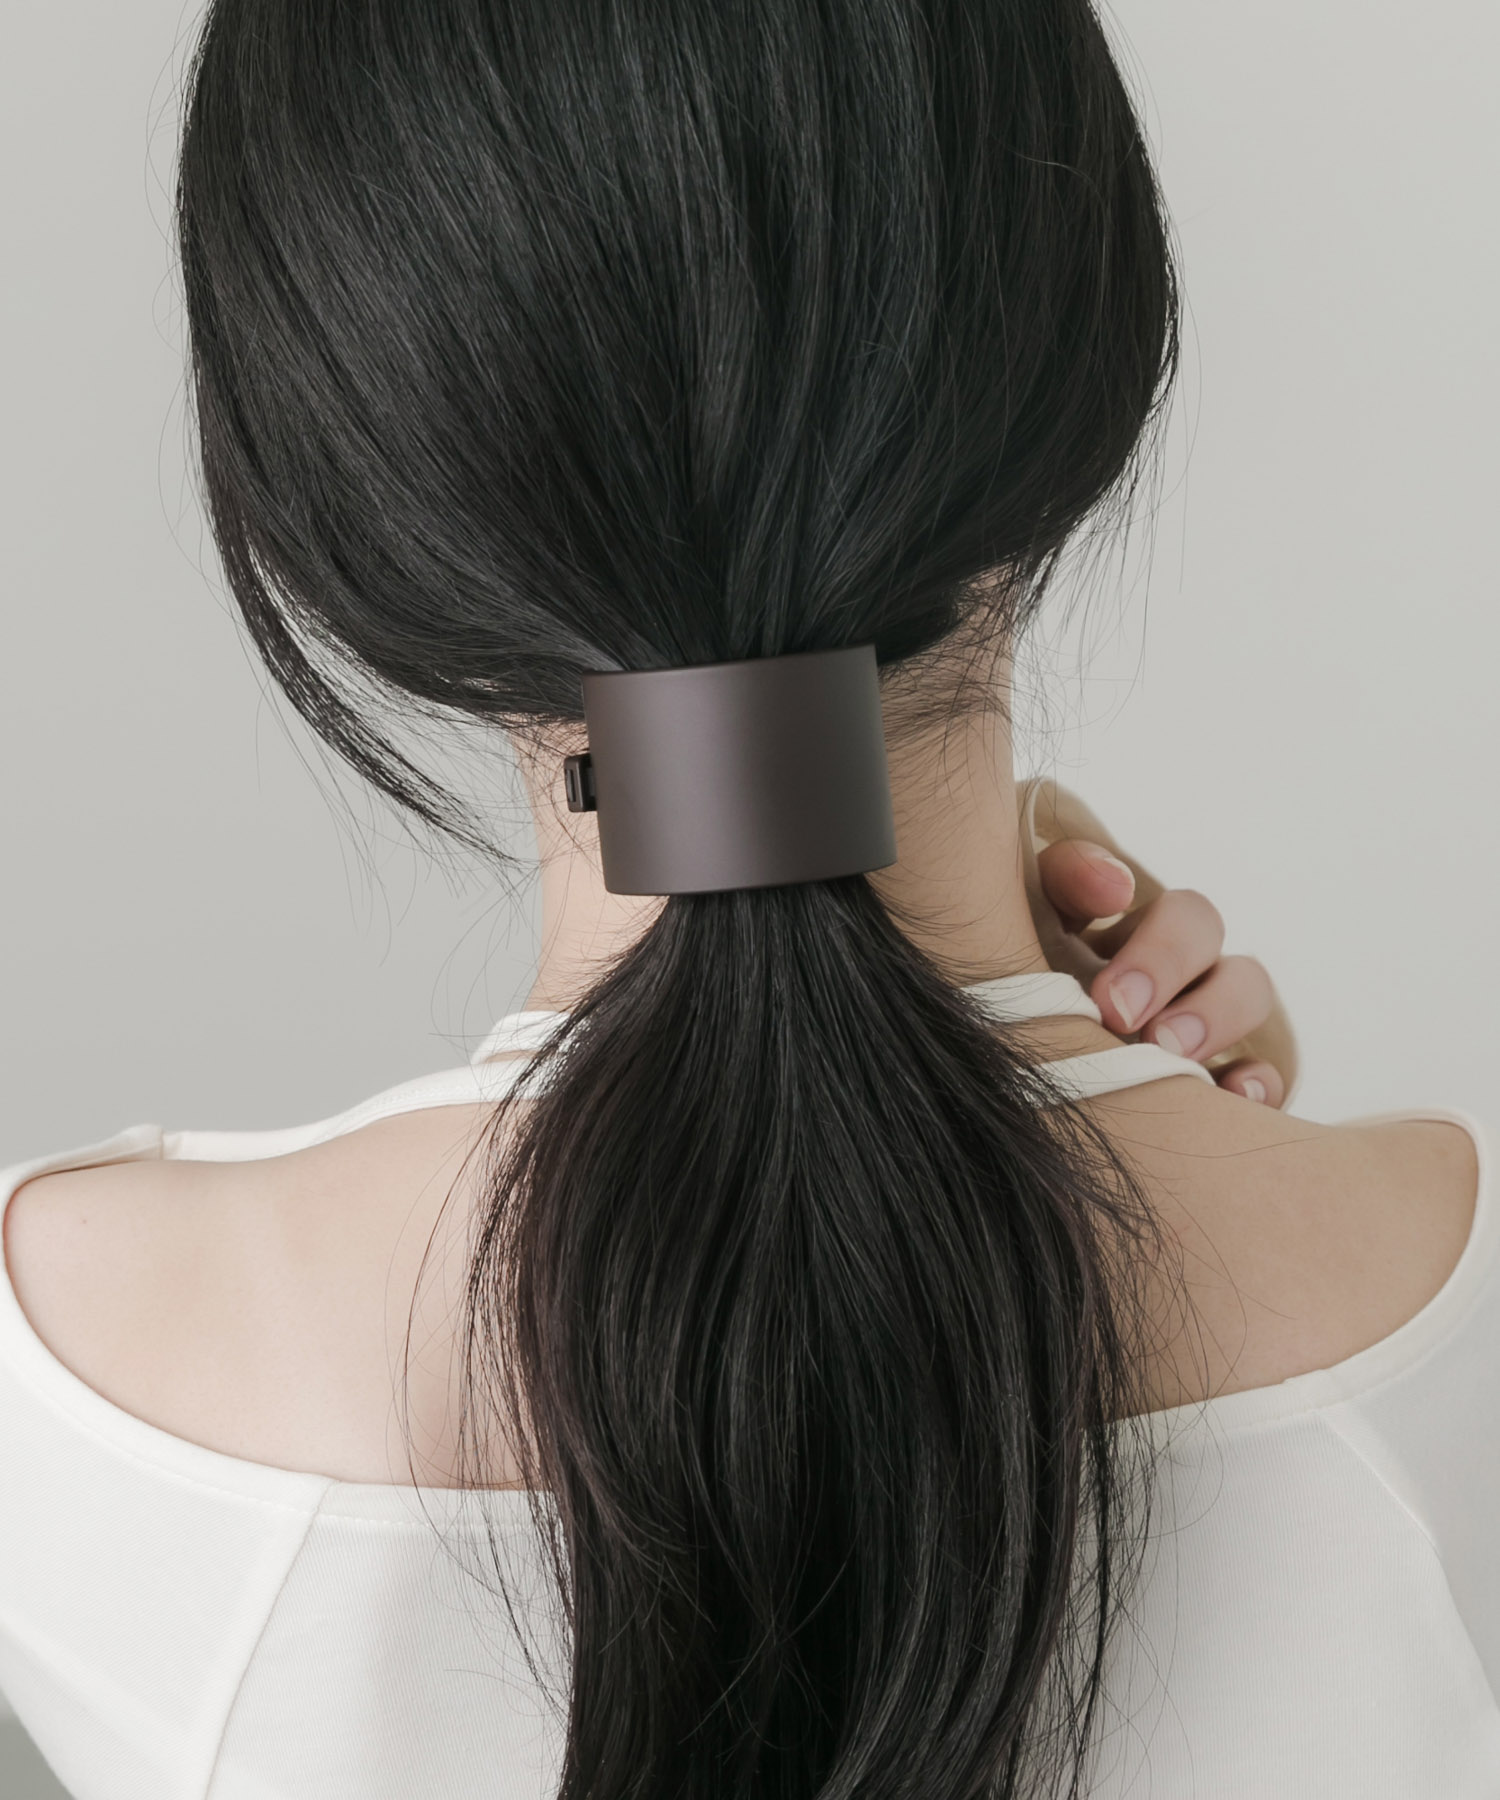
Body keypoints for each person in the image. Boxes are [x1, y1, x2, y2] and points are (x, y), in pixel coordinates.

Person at [0, 2, 1490, 1797]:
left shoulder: (64, 1373)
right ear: (1082, 360)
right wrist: (1215, 1133)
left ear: (333, 496)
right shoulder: (1445, 1301)